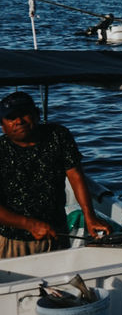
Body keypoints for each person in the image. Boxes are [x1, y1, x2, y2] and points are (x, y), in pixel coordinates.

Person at [0, 91, 113, 259]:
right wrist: (29, 225)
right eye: (11, 118)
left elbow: (75, 176)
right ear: (2, 125)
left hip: (57, 234)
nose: (19, 121)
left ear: (37, 115)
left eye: (25, 114)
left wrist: (90, 216)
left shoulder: (58, 136)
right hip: (12, 241)